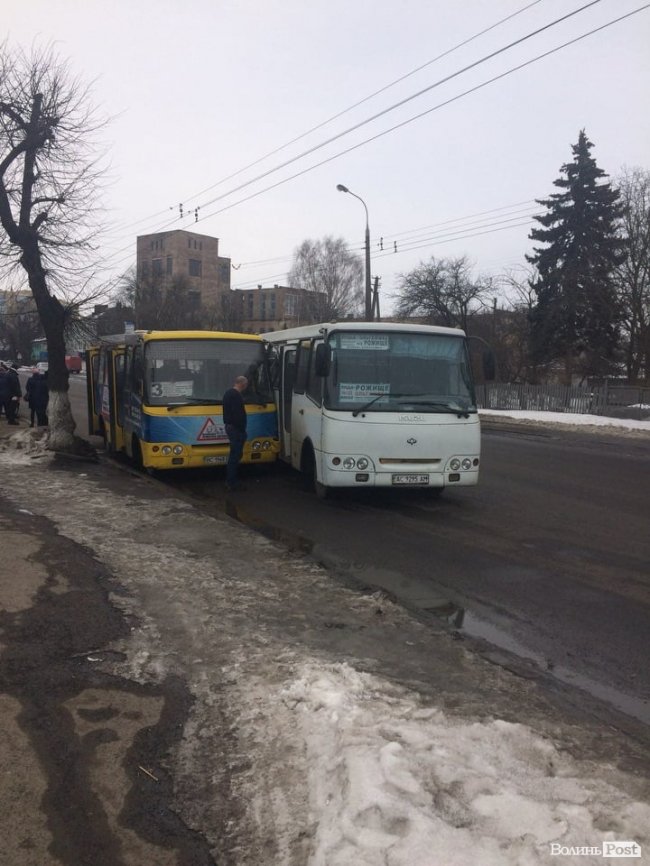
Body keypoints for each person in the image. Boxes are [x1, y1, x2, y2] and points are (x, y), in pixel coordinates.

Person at [222, 375, 248, 491]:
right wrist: (242, 431)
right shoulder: (236, 396)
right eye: (245, 385)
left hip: (230, 427)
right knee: (235, 456)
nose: (245, 387)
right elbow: (238, 415)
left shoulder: (228, 393)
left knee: (235, 455)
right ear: (242, 384)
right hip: (236, 429)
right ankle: (231, 482)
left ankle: (231, 480)